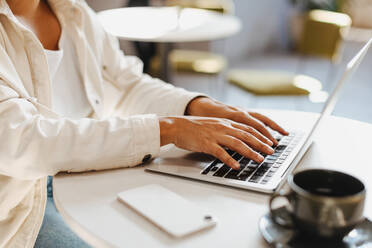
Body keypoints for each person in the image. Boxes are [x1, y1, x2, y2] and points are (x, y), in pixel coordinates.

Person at [0, 0, 288, 247]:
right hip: (22, 207)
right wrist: (171, 129)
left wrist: (196, 107)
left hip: (86, 175)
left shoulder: (73, 11)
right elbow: (23, 141)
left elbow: (126, 85)